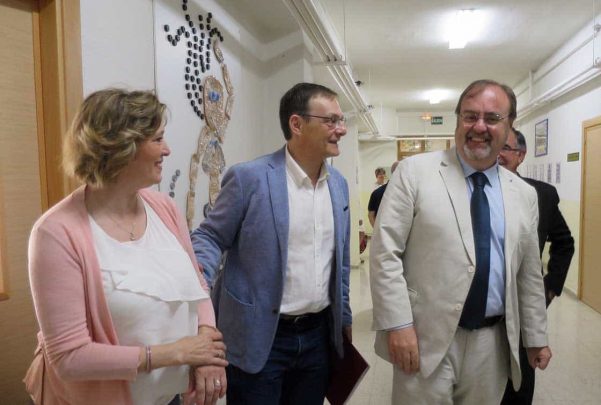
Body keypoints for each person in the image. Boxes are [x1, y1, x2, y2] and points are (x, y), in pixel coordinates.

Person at [24, 89, 228, 405]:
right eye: (157, 139)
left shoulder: (164, 209)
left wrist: (206, 353)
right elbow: (69, 357)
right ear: (121, 147)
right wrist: (176, 353)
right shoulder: (56, 233)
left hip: (166, 398)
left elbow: (197, 287)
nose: (167, 150)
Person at [370, 79, 552, 405]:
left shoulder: (524, 195)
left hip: (491, 344)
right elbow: (385, 252)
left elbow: (528, 274)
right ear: (458, 120)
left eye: (492, 118)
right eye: (470, 116)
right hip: (424, 337)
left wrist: (535, 335)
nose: (479, 126)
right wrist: (397, 324)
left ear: (509, 125)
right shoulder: (414, 173)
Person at [191, 82, 352, 405]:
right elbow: (209, 236)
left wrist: (344, 319)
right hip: (259, 337)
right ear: (297, 124)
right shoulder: (249, 178)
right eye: (331, 120)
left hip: (317, 338)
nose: (341, 129)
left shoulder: (338, 185)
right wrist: (197, 288)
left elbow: (341, 261)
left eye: (341, 120)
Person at [498, 128, 575, 405]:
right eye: (495, 147)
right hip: (480, 308)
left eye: (506, 148)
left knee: (518, 384)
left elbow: (565, 243)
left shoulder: (541, 194)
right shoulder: (472, 191)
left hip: (522, 306)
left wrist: (550, 288)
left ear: (521, 156)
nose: (498, 154)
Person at [367, 161, 399, 226]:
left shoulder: (388, 185)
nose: (382, 176)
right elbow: (371, 212)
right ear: (376, 176)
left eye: (383, 174)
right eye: (380, 174)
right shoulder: (375, 189)